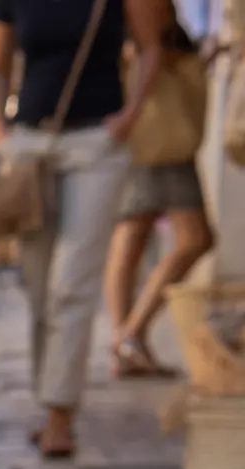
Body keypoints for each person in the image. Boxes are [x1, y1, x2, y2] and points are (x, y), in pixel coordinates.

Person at [0, 0, 173, 459]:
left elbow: (152, 48)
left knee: (72, 281)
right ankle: (48, 393)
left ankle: (59, 412)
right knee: (38, 284)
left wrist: (129, 118)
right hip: (29, 144)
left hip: (96, 145)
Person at [102, 14, 210, 380]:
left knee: (134, 232)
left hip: (139, 127)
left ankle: (126, 341)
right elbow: (154, 45)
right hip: (153, 129)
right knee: (191, 237)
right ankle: (130, 335)